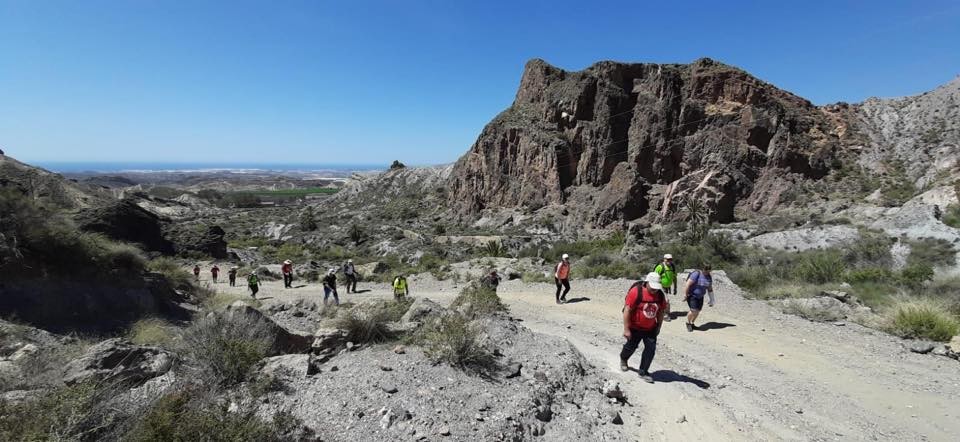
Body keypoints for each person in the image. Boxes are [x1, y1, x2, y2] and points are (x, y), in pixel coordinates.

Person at [620, 272, 669, 383]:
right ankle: (623, 359)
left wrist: (659, 326)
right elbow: (627, 310)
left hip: (650, 328)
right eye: (652, 287)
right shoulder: (636, 292)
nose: (654, 290)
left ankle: (643, 371)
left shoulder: (660, 295)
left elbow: (661, 311)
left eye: (656, 288)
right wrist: (626, 329)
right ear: (646, 283)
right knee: (631, 346)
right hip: (635, 326)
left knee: (650, 350)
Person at [683, 264, 715, 332]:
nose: (707, 272)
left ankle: (692, 323)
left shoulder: (709, 277)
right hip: (692, 295)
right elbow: (687, 284)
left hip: (700, 296)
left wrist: (712, 299)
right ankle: (688, 323)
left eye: (708, 271)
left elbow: (710, 288)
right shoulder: (696, 274)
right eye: (706, 270)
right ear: (702, 269)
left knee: (698, 311)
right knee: (693, 310)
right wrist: (685, 295)